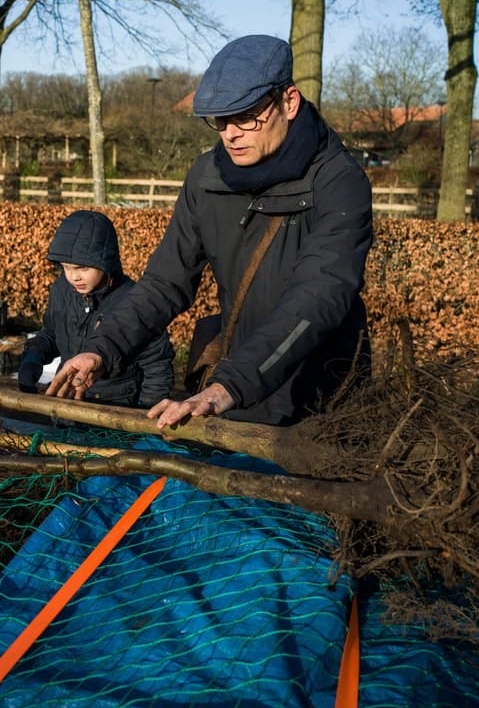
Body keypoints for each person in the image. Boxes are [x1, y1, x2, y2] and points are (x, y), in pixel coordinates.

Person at [47, 35, 372, 429]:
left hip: (319, 398)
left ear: (288, 102)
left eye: (246, 116)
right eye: (219, 120)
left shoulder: (339, 181)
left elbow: (318, 296)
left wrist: (228, 386)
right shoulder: (206, 177)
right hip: (235, 390)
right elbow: (165, 282)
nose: (230, 133)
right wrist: (101, 348)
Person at [19, 209, 174, 408]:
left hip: (115, 413)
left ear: (106, 263)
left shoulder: (136, 302)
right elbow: (52, 333)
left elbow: (157, 366)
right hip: (65, 406)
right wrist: (33, 358)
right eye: (67, 267)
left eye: (83, 268)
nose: (74, 277)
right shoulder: (61, 290)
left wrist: (145, 419)